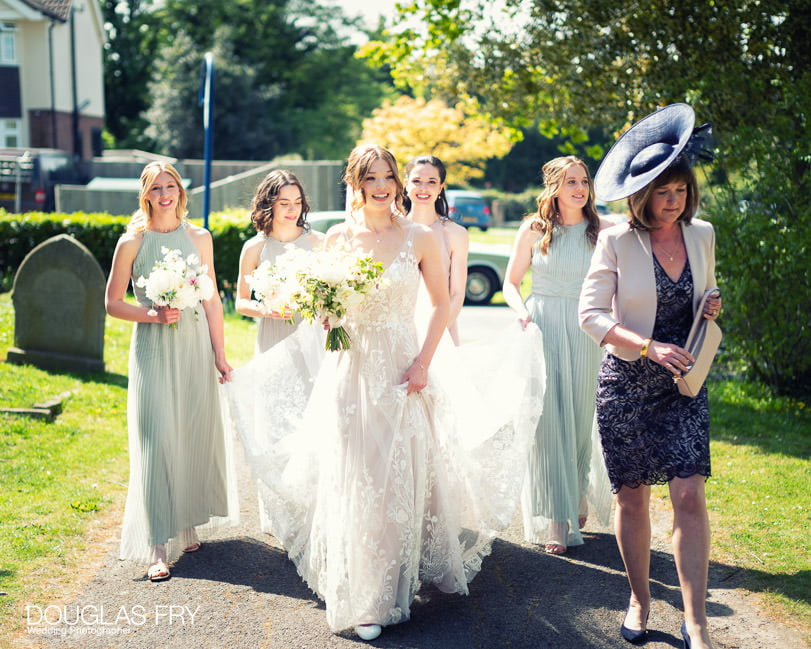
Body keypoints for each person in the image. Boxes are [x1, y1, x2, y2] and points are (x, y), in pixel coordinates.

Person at [222, 144, 544, 641]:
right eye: (369, 176)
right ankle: (368, 592)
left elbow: (441, 307)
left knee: (402, 475)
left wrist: (422, 364)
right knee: (361, 477)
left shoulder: (419, 237)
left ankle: (416, 565)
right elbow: (326, 305)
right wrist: (326, 312)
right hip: (349, 368)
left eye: (387, 176)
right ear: (355, 182)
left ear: (395, 182)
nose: (380, 185)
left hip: (402, 365)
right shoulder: (335, 238)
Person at [579, 104, 720, 649]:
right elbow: (590, 315)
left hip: (683, 385)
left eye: (681, 191)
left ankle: (696, 620)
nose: (674, 201)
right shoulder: (615, 240)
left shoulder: (702, 234)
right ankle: (639, 598)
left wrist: (710, 304)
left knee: (689, 497)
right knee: (632, 498)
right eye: (663, 192)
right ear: (641, 196)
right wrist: (646, 346)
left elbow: (699, 293)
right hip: (627, 387)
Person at [105, 161, 235, 582]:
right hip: (154, 347)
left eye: (171, 186)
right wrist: (153, 315)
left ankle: (187, 524)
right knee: (157, 438)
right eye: (157, 188)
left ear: (181, 190)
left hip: (194, 345)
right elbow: (112, 303)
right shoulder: (132, 242)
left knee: (192, 430)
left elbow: (212, 299)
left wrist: (220, 352)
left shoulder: (200, 237)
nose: (165, 195)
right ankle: (157, 545)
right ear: (146, 195)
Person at [503, 156, 613, 554]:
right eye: (570, 182)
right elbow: (511, 283)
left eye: (583, 181)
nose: (579, 188)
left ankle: (578, 493)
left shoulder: (602, 231)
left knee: (582, 421)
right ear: (554, 187)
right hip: (544, 326)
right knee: (550, 425)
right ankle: (556, 521)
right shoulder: (534, 229)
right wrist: (522, 313)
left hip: (586, 330)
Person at [235, 169, 324, 353]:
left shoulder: (319, 242)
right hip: (272, 338)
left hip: (312, 339)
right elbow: (241, 302)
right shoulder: (254, 247)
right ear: (269, 204)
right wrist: (265, 310)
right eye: (284, 203)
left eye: (298, 202)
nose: (293, 210)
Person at [403, 155, 469, 345]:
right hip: (398, 330)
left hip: (441, 332)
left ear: (440, 188)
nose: (423, 188)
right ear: (406, 184)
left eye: (431, 182)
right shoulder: (393, 229)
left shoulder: (455, 233)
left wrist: (433, 336)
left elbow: (457, 294)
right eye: (417, 181)